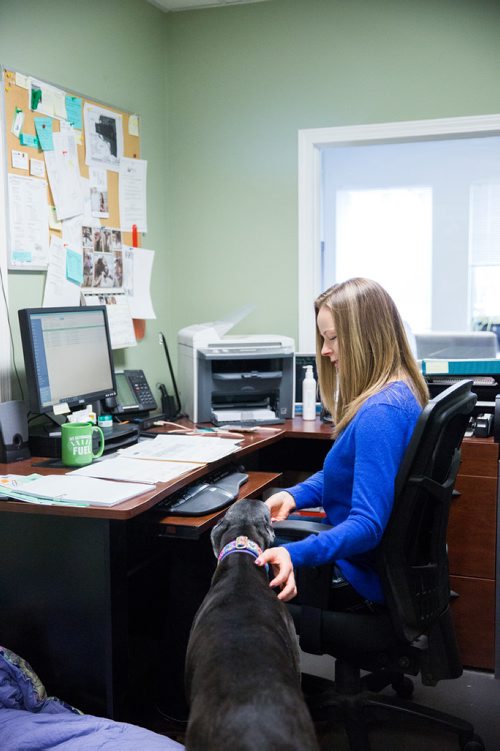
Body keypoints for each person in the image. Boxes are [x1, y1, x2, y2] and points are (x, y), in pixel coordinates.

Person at [255, 277, 429, 609]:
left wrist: (293, 553)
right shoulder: (398, 393)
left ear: (366, 336)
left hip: (355, 575)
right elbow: (348, 473)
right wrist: (293, 494)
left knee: (224, 554)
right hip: (366, 562)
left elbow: (366, 526)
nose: (324, 350)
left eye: (333, 338)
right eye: (323, 338)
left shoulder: (381, 413)